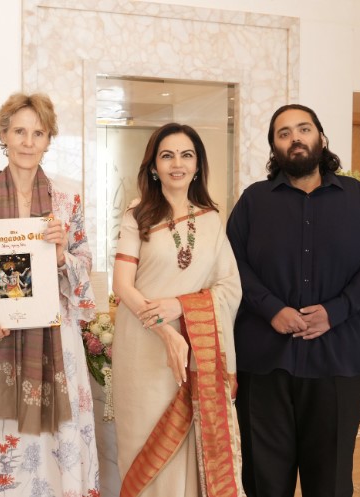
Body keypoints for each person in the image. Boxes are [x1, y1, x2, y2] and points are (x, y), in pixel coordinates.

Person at [226, 104, 360, 497]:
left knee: (330, 481)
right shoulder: (253, 201)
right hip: (264, 360)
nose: (295, 138)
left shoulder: (356, 196)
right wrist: (271, 308)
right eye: (283, 133)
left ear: (320, 137)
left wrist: (337, 310)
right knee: (264, 480)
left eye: (303, 129)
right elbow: (230, 264)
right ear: (274, 146)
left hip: (340, 357)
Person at [0, 93, 100, 496]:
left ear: (49, 139)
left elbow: (84, 264)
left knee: (59, 437)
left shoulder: (67, 198)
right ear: (3, 135)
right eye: (19, 131)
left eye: (38, 133)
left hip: (57, 336)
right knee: (1, 433)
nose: (28, 141)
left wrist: (61, 254)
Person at [111, 123, 244, 497]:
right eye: (167, 156)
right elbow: (123, 285)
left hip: (196, 353)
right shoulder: (137, 215)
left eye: (187, 155)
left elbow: (230, 287)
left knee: (191, 449)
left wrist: (181, 307)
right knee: (145, 445)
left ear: (198, 165)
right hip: (143, 348)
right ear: (154, 166)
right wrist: (165, 330)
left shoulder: (211, 219)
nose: (177, 164)